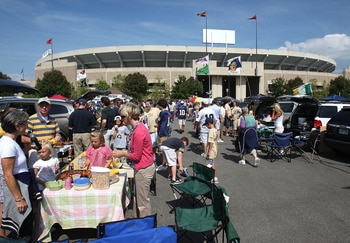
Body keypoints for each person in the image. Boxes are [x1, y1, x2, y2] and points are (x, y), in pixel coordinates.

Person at [113, 102, 155, 218]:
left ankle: (145, 226)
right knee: (138, 199)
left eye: (123, 117)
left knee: (142, 203)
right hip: (142, 167)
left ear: (130, 116)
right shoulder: (138, 128)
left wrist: (122, 153)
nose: (121, 119)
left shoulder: (139, 131)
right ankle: (139, 222)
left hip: (143, 168)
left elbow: (136, 156)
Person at [0, 109, 37, 240]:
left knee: (26, 223)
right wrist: (18, 198)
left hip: (22, 183)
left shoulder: (12, 142)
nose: (27, 126)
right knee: (22, 224)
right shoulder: (8, 144)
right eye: (25, 123)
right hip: (18, 185)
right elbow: (8, 174)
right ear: (17, 126)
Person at [23, 97, 61, 168]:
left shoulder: (53, 120)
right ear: (38, 107)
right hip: (36, 151)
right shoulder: (31, 119)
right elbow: (24, 136)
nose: (44, 107)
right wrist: (35, 142)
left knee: (52, 170)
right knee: (36, 171)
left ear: (49, 107)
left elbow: (58, 133)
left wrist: (58, 137)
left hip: (50, 149)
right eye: (42, 105)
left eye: (46, 105)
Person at [156, 99, 170, 171]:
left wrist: (159, 130)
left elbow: (161, 123)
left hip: (163, 132)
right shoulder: (167, 112)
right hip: (165, 131)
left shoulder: (163, 113)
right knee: (162, 149)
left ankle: (164, 164)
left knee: (162, 149)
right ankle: (164, 163)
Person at [204, 117, 219, 183]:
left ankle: (213, 177)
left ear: (209, 124)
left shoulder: (211, 131)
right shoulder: (215, 130)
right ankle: (214, 177)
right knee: (211, 163)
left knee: (209, 164)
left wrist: (208, 152)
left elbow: (211, 142)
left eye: (206, 125)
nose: (206, 126)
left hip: (211, 150)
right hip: (214, 149)